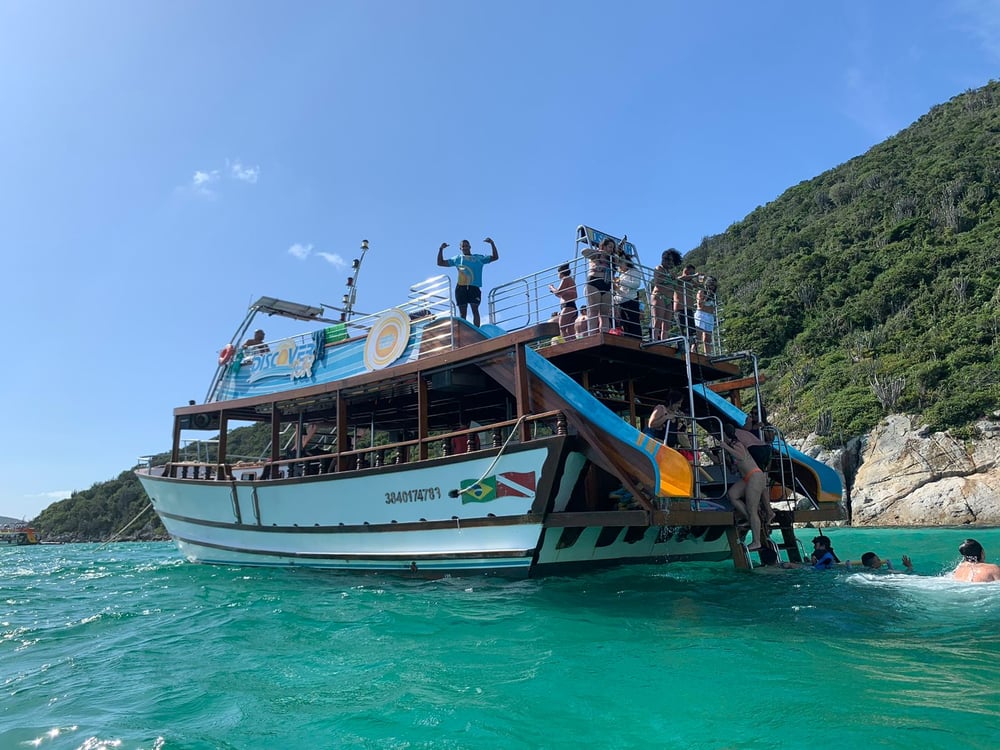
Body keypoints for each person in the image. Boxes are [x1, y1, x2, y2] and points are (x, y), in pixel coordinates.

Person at [720, 422, 768, 551]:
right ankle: (748, 518)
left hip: (755, 476)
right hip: (747, 477)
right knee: (732, 495)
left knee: (753, 510)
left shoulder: (736, 444)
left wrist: (726, 447)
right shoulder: (732, 445)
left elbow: (741, 456)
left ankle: (756, 541)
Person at [437, 237, 499, 327]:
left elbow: (495, 257)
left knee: (475, 309)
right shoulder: (457, 259)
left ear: (470, 247)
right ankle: (463, 332)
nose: (465, 247)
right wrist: (441, 249)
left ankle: (477, 330)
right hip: (461, 287)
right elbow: (440, 263)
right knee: (462, 313)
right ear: (460, 248)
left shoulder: (478, 258)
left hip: (474, 287)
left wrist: (492, 243)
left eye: (466, 246)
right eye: (463, 246)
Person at [582, 238, 615, 334]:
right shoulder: (596, 255)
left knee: (605, 313)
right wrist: (599, 252)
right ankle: (592, 334)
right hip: (594, 282)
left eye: (612, 248)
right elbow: (583, 252)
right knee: (593, 311)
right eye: (609, 247)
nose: (611, 250)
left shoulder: (612, 259)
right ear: (604, 246)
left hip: (606, 284)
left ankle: (605, 333)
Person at [651, 249, 681, 341]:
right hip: (659, 296)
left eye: (671, 260)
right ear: (663, 259)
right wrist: (669, 279)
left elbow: (675, 286)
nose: (669, 262)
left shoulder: (670, 272)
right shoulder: (658, 268)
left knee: (667, 324)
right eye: (667, 259)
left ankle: (664, 341)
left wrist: (673, 279)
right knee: (657, 321)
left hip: (669, 299)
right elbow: (657, 281)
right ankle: (654, 339)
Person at [613, 256, 643, 337]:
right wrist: (615, 287)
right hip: (621, 302)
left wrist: (620, 281)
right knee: (624, 324)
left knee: (633, 323)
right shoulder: (621, 275)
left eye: (621, 263)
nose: (619, 266)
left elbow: (636, 284)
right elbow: (621, 290)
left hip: (631, 300)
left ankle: (637, 340)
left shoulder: (634, 271)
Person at [548, 263, 579, 339]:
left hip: (568, 306)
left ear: (561, 272)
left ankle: (569, 345)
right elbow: (560, 294)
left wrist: (552, 287)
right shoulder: (569, 280)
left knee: (562, 328)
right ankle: (574, 345)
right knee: (570, 331)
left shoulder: (565, 278)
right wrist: (555, 291)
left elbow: (558, 292)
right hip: (571, 306)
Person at [694, 275, 718, 355]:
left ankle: (708, 355)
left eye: (714, 285)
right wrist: (707, 296)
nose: (713, 286)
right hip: (701, 315)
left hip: (710, 317)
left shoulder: (713, 295)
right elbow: (700, 305)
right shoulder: (701, 291)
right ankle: (693, 352)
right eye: (711, 284)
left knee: (708, 339)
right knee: (698, 337)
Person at [674, 264, 698, 340]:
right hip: (680, 310)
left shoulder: (690, 281)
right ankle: (682, 349)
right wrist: (694, 276)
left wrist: (700, 280)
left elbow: (698, 285)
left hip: (689, 310)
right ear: (686, 271)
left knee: (692, 333)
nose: (692, 274)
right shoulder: (679, 280)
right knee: (683, 332)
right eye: (691, 272)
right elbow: (679, 279)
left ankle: (692, 349)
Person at [844, 552, 913, 572]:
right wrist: (909, 566)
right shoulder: (884, 571)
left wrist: (848, 565)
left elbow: (850, 571)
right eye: (878, 560)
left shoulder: (860, 570)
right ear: (874, 565)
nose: (880, 561)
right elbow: (906, 573)